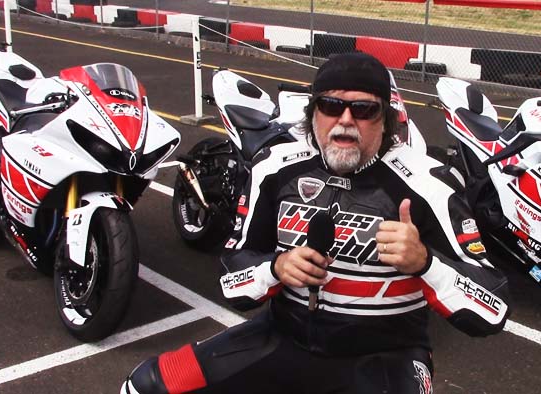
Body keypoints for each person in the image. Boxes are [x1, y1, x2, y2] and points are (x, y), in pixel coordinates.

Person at [121, 52, 510, 394]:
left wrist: (425, 263)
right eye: (330, 106)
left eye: (364, 109)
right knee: (146, 386)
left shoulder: (430, 182)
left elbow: (492, 309)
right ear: (313, 113)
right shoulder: (273, 169)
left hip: (386, 357)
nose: (345, 121)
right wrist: (275, 268)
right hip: (283, 337)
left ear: (386, 120)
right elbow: (230, 277)